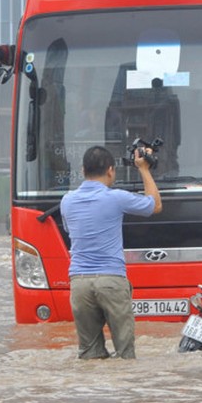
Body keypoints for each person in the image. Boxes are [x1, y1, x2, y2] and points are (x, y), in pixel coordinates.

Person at [59, 145, 162, 359]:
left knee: (89, 355)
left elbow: (72, 231)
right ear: (110, 171)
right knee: (125, 355)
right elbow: (155, 205)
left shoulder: (67, 201)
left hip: (79, 283)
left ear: (82, 170)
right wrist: (143, 168)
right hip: (111, 281)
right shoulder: (116, 198)